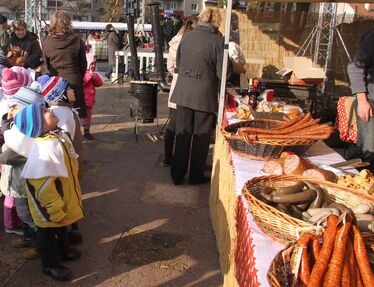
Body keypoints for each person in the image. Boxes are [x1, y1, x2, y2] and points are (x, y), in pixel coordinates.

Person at [16, 102, 84, 281]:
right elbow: (44, 187)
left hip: (59, 197)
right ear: (38, 125)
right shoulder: (44, 148)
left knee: (61, 227)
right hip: (47, 204)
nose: (51, 111)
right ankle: (50, 265)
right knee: (46, 234)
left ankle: (64, 250)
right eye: (45, 112)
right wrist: (54, 209)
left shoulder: (56, 137)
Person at [170, 7, 231, 185]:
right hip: (204, 95)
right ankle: (195, 176)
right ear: (216, 22)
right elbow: (223, 74)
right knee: (201, 138)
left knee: (182, 135)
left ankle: (177, 175)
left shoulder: (187, 36)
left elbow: (179, 64)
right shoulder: (218, 42)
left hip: (183, 92)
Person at [0, 85, 44, 260]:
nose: (10, 107)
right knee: (24, 213)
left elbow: (8, 156)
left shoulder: (28, 134)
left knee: (28, 214)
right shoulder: (20, 124)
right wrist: (7, 118)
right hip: (18, 183)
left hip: (23, 184)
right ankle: (28, 237)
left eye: (15, 106)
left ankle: (38, 244)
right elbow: (7, 131)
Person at [163, 15, 198, 166]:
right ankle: (184, 157)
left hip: (177, 83)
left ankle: (167, 157)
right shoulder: (195, 41)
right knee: (188, 124)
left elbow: (170, 67)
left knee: (173, 123)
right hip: (192, 86)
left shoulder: (176, 40)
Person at [43, 11, 88, 119]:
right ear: (68, 22)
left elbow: (47, 65)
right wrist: (80, 77)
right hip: (74, 78)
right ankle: (75, 134)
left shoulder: (47, 41)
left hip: (55, 81)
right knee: (75, 114)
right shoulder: (77, 40)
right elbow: (83, 63)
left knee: (56, 113)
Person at [347, 28, 374, 168]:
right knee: (370, 151)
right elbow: (355, 68)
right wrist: (362, 101)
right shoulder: (372, 36)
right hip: (371, 103)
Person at [83, 53, 103, 140]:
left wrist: (95, 77)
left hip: (90, 100)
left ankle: (86, 131)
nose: (93, 66)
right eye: (91, 64)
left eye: (94, 64)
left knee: (88, 116)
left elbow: (100, 83)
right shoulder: (83, 73)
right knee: (79, 115)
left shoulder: (94, 73)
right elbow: (82, 82)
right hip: (83, 99)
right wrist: (88, 77)